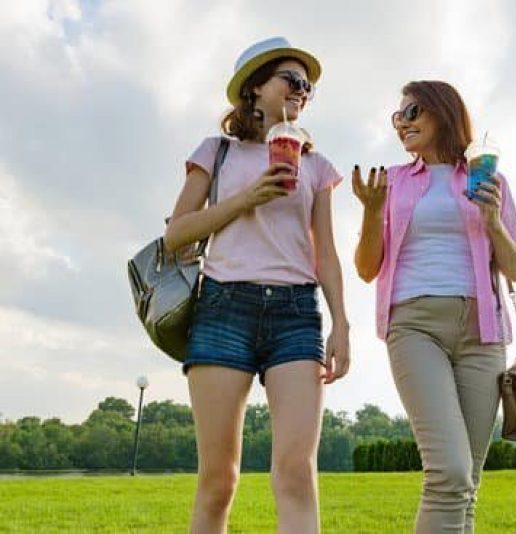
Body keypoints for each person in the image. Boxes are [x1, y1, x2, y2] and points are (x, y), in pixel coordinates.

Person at [164, 37, 350, 534]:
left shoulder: (315, 164)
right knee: (219, 480)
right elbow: (177, 233)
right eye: (292, 79)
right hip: (224, 307)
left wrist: (341, 324)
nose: (302, 90)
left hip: (295, 314)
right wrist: (247, 198)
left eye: (308, 85)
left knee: (295, 472)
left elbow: (325, 253)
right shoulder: (217, 152)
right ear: (255, 88)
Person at [353, 81, 516, 533]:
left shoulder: (490, 180)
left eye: (411, 111)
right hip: (415, 327)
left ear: (442, 112)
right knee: (448, 471)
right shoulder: (390, 181)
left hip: (483, 333)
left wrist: (491, 220)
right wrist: (372, 213)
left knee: (467, 481)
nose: (402, 123)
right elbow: (367, 268)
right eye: (397, 117)